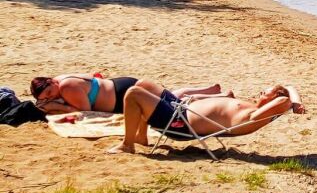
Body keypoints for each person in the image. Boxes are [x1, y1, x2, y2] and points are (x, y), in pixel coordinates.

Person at [109, 80, 304, 154]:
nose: (260, 92)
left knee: (133, 93)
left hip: (179, 123)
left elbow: (284, 100)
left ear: (275, 99)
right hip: (180, 108)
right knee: (144, 84)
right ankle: (140, 137)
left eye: (265, 93)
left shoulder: (253, 115)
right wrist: (294, 97)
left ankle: (128, 144)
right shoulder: (251, 106)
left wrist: (292, 102)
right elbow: (290, 85)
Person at [30, 74, 227, 115]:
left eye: (49, 92)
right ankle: (209, 91)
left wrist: (57, 106)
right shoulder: (62, 78)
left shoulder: (66, 87)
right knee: (171, 98)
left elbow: (85, 111)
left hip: (120, 97)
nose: (51, 95)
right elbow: (93, 77)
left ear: (51, 82)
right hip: (119, 84)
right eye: (46, 97)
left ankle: (219, 98)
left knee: (176, 105)